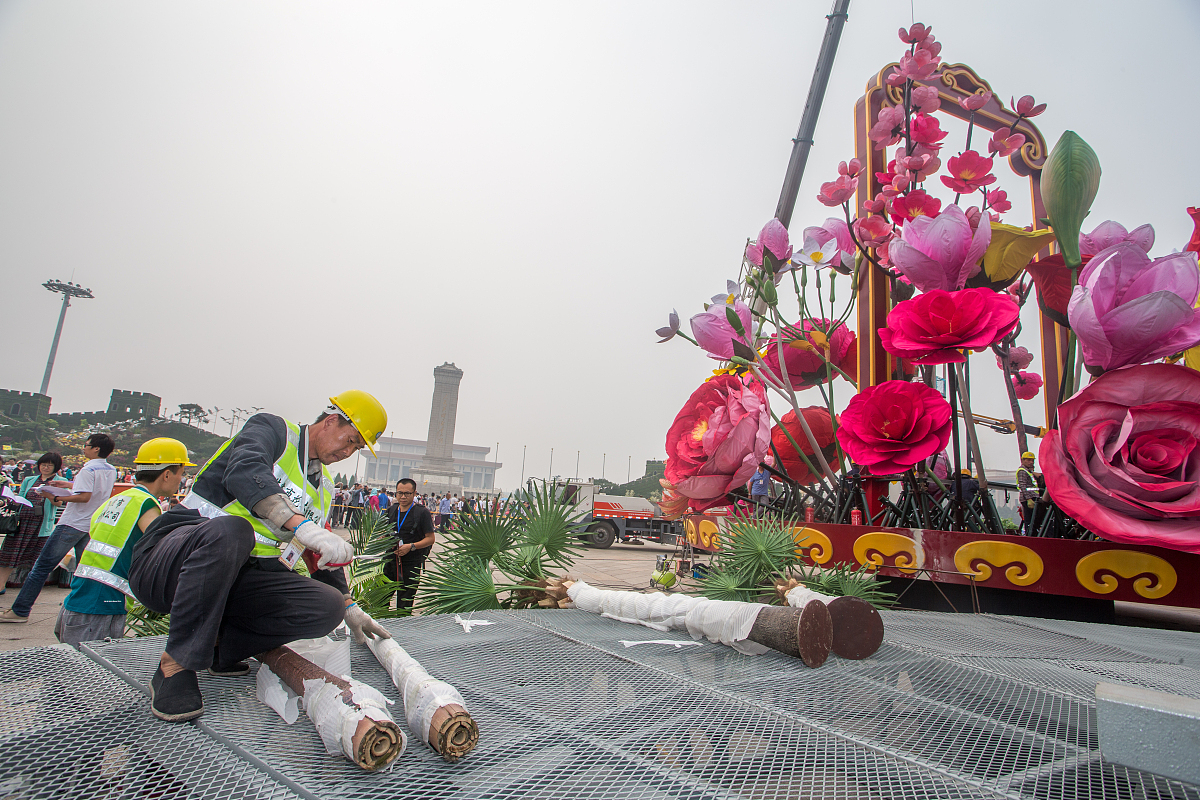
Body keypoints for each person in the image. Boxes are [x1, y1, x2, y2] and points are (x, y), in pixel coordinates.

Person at [127, 391, 391, 722]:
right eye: (349, 441)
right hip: (173, 562)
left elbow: (315, 555)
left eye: (355, 449)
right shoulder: (273, 431)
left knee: (325, 606)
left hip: (236, 580)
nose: (346, 452)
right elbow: (244, 470)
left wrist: (349, 606)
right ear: (332, 420)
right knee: (232, 530)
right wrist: (298, 523)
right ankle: (173, 666)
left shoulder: (323, 489)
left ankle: (224, 648)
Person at [55, 438, 190, 647]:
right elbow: (166, 548)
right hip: (103, 604)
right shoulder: (146, 504)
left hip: (79, 597)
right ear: (166, 474)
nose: (181, 479)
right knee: (92, 674)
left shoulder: (120, 499)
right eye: (181, 473)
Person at [0, 434, 117, 623]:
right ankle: (81, 613)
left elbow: (84, 496)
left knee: (41, 568)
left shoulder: (88, 470)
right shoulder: (110, 470)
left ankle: (20, 610)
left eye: (86, 445)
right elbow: (94, 491)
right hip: (91, 525)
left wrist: (55, 498)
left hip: (72, 523)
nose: (84, 448)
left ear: (96, 449)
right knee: (82, 570)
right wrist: (68, 485)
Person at [0, 452, 62, 595]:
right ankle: (1, 584)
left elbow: (58, 503)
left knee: (34, 558)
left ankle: (28, 588)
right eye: (43, 464)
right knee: (9, 554)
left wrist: (49, 495)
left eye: (49, 465)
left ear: (55, 467)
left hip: (40, 524)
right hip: (21, 521)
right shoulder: (29, 480)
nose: (46, 467)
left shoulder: (59, 481)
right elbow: (20, 496)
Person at [383, 478, 435, 611]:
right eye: (399, 493)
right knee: (381, 600)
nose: (403, 496)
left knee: (404, 605)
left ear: (414, 493)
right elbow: (383, 533)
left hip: (411, 563)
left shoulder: (422, 513)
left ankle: (401, 629)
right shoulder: (391, 510)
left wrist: (410, 546)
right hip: (390, 561)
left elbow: (430, 539)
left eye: (407, 493)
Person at [1016, 451, 1039, 536]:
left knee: (1034, 518)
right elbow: (1023, 486)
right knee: (1029, 519)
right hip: (1029, 498)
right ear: (1023, 460)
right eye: (1029, 460)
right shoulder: (1022, 471)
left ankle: (1032, 533)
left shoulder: (1028, 471)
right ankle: (1030, 534)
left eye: (1032, 460)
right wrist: (1029, 499)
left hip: (1033, 497)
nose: (1031, 462)